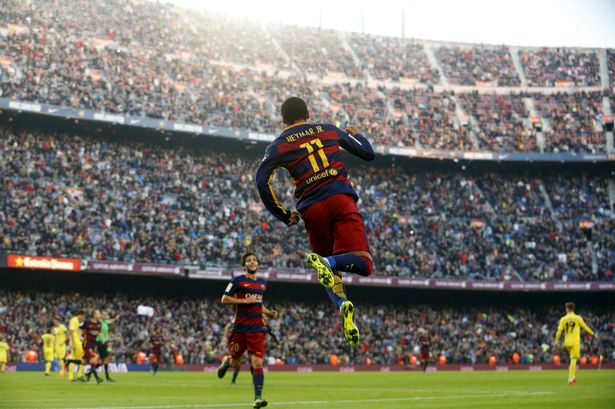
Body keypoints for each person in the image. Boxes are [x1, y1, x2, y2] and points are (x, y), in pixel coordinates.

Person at [255, 96, 375, 346]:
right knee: (363, 263)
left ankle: (343, 304)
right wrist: (357, 134)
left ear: (283, 119)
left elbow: (261, 180)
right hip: (340, 197)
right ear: (308, 113)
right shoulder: (328, 129)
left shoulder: (278, 145)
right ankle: (328, 261)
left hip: (311, 208)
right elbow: (367, 153)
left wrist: (283, 214)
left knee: (329, 276)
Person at [217, 252, 278, 409]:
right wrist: (243, 300)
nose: (252, 262)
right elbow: (224, 299)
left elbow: (258, 303)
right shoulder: (238, 281)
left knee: (257, 362)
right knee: (236, 362)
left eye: (254, 260)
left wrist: (268, 312)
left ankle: (258, 398)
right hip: (240, 329)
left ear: (257, 264)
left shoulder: (263, 283)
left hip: (257, 329)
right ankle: (227, 362)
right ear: (244, 265)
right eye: (249, 260)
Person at [554, 302, 596, 384]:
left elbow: (559, 331)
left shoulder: (563, 319)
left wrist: (556, 341)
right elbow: (585, 327)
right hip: (575, 342)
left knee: (572, 359)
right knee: (574, 359)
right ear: (573, 309)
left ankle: (572, 377)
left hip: (567, 342)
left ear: (567, 309)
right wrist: (593, 334)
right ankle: (571, 378)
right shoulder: (577, 318)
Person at [80, 310, 103, 384]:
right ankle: (97, 378)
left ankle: (70, 362)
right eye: (98, 313)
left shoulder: (99, 323)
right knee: (93, 359)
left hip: (93, 344)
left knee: (85, 361)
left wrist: (102, 338)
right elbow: (80, 328)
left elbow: (100, 332)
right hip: (87, 344)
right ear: (93, 315)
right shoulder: (87, 322)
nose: (99, 315)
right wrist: (82, 336)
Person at [97, 311, 119, 382]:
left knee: (104, 360)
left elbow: (110, 321)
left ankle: (91, 371)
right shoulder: (99, 322)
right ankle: (107, 377)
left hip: (104, 342)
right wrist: (103, 339)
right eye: (105, 315)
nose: (106, 316)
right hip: (100, 342)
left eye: (106, 315)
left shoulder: (105, 322)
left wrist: (115, 319)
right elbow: (98, 331)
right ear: (101, 315)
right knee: (106, 359)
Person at [68, 310, 86, 382]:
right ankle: (73, 377)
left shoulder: (79, 322)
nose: (84, 318)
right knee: (75, 358)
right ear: (80, 315)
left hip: (78, 342)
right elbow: (71, 332)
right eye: (83, 316)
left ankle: (78, 375)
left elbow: (79, 333)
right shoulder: (73, 320)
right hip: (75, 342)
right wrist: (74, 344)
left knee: (80, 358)